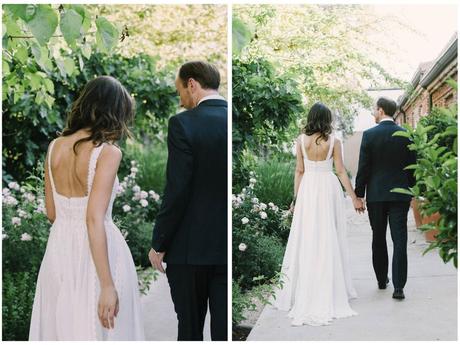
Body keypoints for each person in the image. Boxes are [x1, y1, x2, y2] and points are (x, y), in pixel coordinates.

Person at [29, 76, 145, 340]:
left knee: (62, 328)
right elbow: (93, 218)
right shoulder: (107, 152)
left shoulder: (54, 147)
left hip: (58, 251)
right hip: (99, 254)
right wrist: (106, 284)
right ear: (114, 112)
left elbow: (52, 212)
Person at [149, 61, 228, 340]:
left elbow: (177, 189)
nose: (180, 98)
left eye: (179, 90)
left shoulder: (183, 123)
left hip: (190, 250)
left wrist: (159, 242)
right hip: (228, 247)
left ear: (192, 84)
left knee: (190, 330)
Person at [274, 102, 362, 326]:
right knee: (328, 234)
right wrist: (353, 197)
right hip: (328, 187)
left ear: (311, 117)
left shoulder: (301, 141)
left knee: (307, 236)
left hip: (308, 189)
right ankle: (329, 285)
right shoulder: (334, 141)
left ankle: (307, 284)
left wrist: (296, 199)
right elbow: (341, 171)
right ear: (327, 118)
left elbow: (299, 171)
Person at [355, 97, 416, 300]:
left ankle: (382, 280)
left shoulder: (370, 135)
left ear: (381, 111)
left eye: (374, 109)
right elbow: (412, 166)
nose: (373, 112)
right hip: (400, 195)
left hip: (377, 196)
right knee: (400, 240)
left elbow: (363, 167)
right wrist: (412, 190)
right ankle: (399, 287)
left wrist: (359, 194)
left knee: (378, 237)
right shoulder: (406, 134)